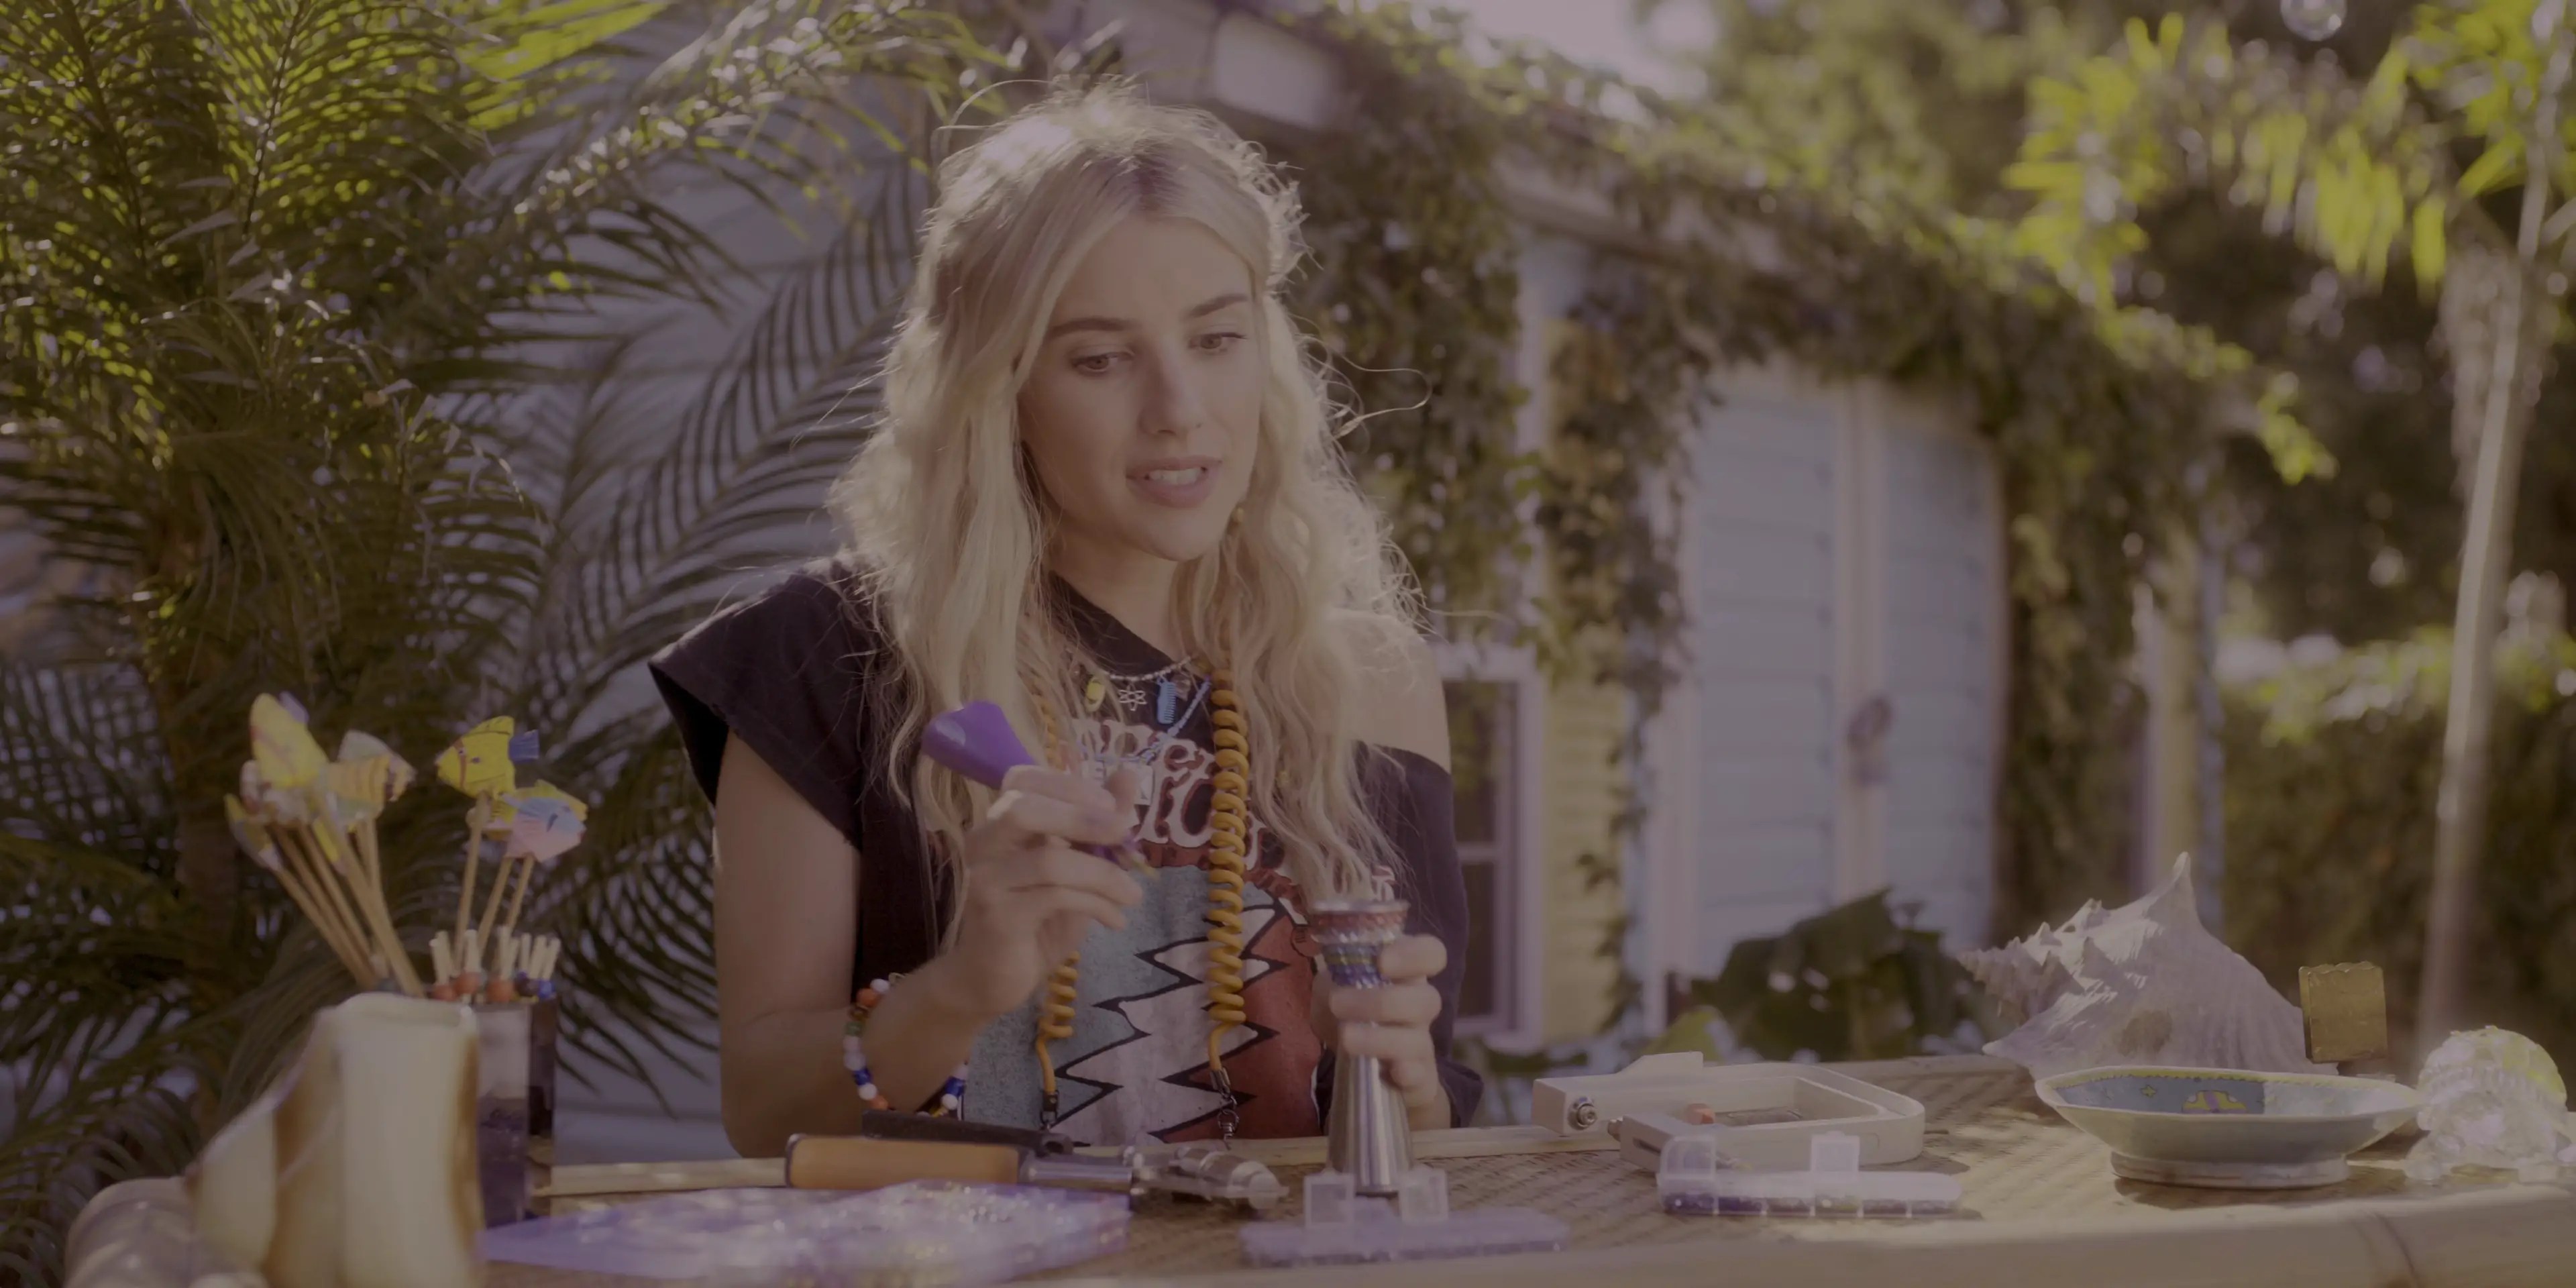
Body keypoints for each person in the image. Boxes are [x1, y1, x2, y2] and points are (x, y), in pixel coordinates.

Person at [649, 83, 1481, 1159]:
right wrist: (958, 990)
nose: (1180, 409)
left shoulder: (1369, 677)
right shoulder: (827, 655)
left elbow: (1430, 1128)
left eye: (1216, 339)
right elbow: (764, 1115)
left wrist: (1401, 1086)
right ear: (999, 388)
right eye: (1099, 358)